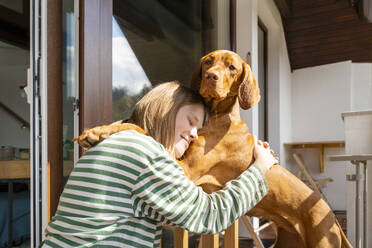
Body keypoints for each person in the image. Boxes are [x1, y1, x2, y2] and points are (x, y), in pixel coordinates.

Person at [40, 81, 277, 248]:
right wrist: (260, 168)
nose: (194, 134)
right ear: (164, 111)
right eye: (191, 121)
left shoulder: (117, 142)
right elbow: (209, 215)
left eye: (199, 129)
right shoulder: (143, 152)